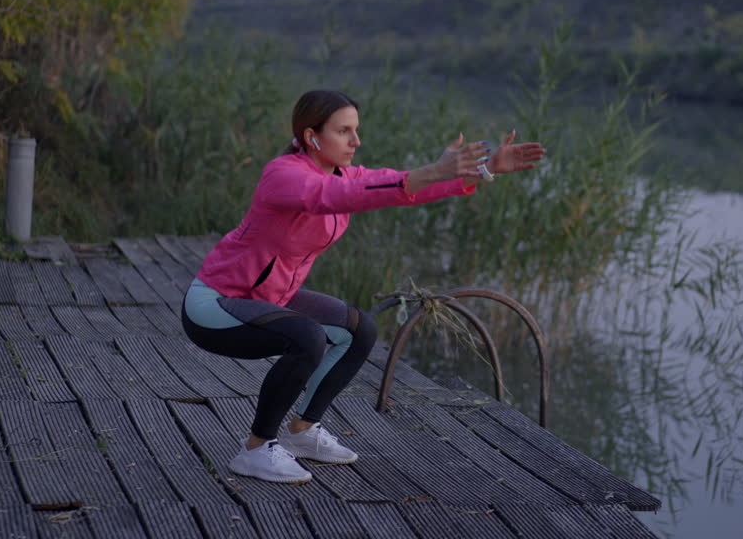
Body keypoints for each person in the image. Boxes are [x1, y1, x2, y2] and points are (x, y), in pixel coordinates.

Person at [182, 89, 546, 484]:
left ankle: (302, 432)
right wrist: (434, 168)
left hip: (271, 299)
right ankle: (255, 449)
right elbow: (333, 198)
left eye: (356, 130)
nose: (356, 141)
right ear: (311, 137)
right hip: (216, 305)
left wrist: (482, 169)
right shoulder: (283, 174)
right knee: (307, 336)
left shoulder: (342, 173)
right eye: (344, 131)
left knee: (359, 329)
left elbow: (394, 187)